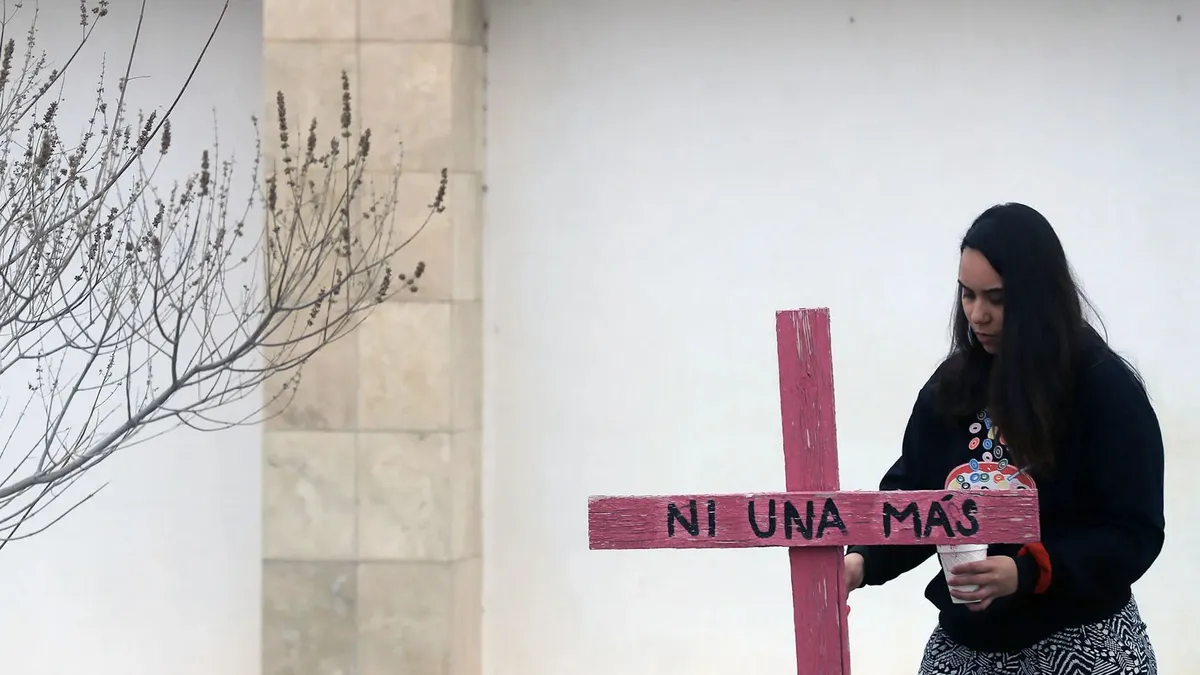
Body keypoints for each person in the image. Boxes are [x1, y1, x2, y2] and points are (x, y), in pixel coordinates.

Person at [843, 203, 1164, 675]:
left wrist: (1027, 572)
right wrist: (861, 561)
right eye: (968, 295)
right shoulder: (951, 389)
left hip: (1085, 640)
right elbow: (916, 500)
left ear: (1039, 297)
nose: (978, 315)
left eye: (996, 298)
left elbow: (1133, 533)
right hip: (969, 646)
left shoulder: (1104, 389)